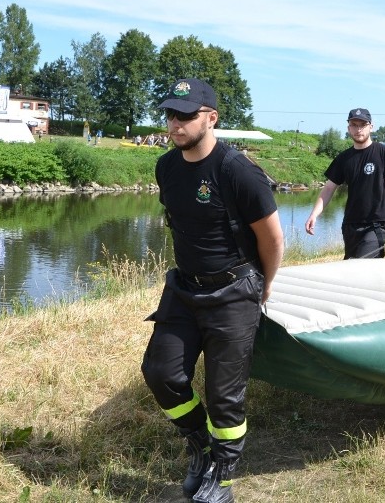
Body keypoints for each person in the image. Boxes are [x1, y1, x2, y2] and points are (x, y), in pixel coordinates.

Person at [140, 78, 284, 502]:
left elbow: (273, 239)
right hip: (184, 288)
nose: (175, 124)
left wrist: (266, 284)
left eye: (185, 115)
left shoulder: (238, 171)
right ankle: (199, 445)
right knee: (161, 373)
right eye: (170, 114)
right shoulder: (166, 167)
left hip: (234, 291)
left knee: (224, 395)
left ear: (211, 118)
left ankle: (223, 474)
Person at [304, 108, 385, 258]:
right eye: (354, 125)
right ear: (348, 128)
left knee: (364, 266)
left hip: (376, 223)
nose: (358, 129)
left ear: (371, 126)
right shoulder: (343, 158)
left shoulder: (384, 153)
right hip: (350, 224)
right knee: (350, 266)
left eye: (362, 125)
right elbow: (328, 189)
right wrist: (314, 214)